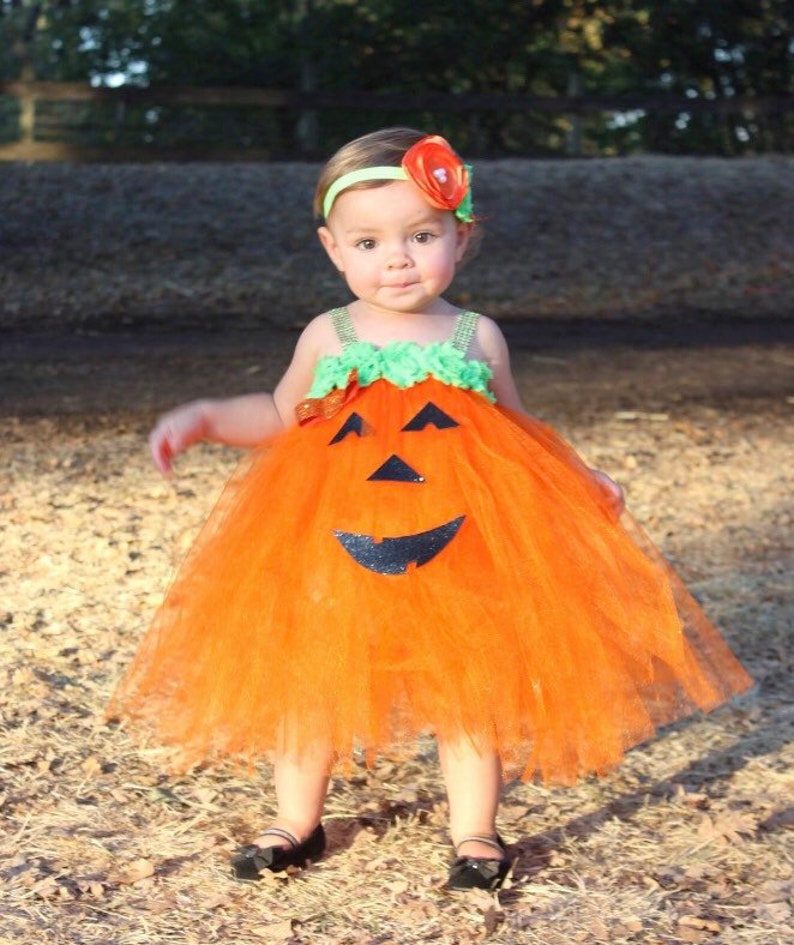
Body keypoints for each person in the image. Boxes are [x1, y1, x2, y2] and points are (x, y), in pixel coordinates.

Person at [108, 128, 752, 891]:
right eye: (370, 241)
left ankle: (476, 831)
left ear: (461, 236)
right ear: (333, 249)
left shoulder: (477, 336)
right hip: (335, 535)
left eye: (422, 235)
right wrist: (210, 417)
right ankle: (296, 821)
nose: (398, 257)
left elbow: (517, 428)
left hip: (458, 538)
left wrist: (579, 473)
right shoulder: (329, 334)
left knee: (466, 684)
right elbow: (282, 414)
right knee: (313, 680)